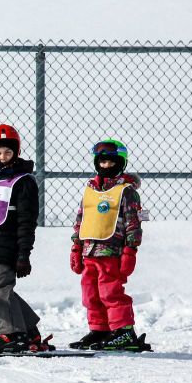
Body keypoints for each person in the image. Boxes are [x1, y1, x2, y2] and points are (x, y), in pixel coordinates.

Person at [0, 124, 50, 353]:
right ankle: (30, 330)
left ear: (16, 152)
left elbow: (27, 221)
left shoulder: (23, 181)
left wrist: (24, 253)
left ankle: (12, 334)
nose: (3, 157)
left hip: (8, 245)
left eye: (8, 152)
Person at [68, 139, 150, 352]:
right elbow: (81, 219)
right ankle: (100, 329)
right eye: (102, 162)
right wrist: (76, 247)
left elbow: (134, 222)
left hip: (113, 251)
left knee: (110, 292)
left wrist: (130, 251)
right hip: (89, 251)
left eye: (111, 162)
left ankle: (123, 331)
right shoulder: (90, 190)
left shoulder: (126, 191)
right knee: (90, 293)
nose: (106, 166)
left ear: (120, 163)